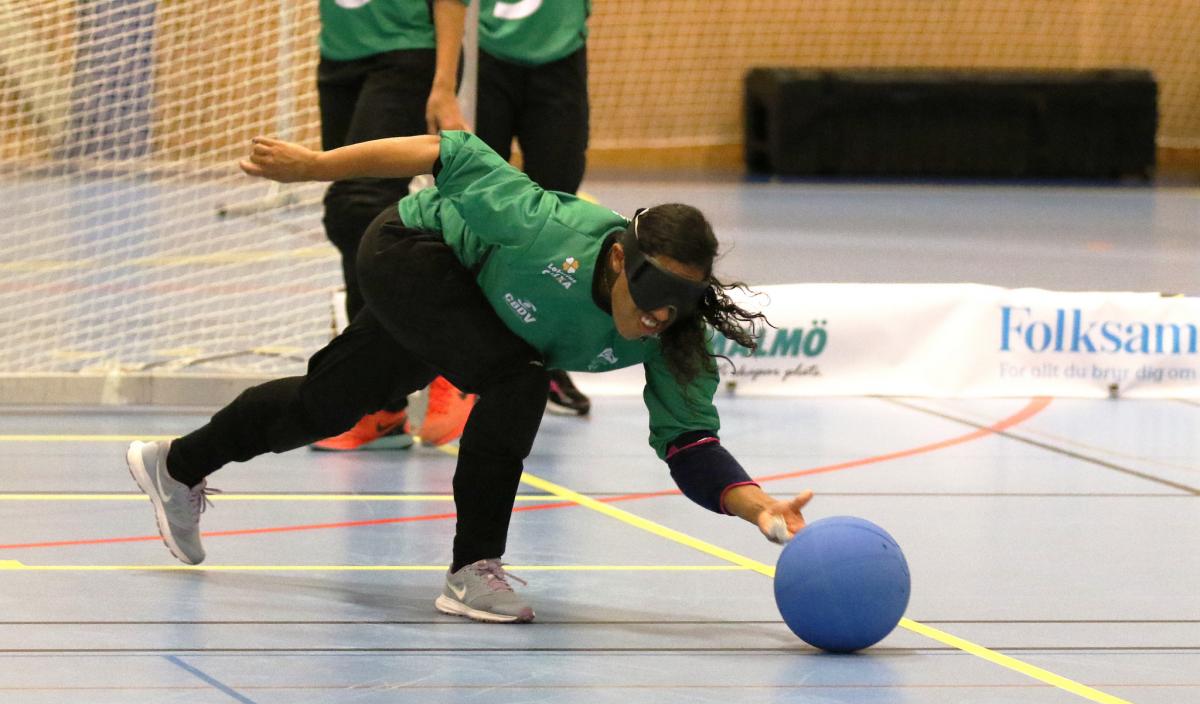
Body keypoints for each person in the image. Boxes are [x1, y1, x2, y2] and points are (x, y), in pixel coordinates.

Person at [126, 130, 814, 624]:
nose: (663, 314)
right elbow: (443, 149)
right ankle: (471, 571)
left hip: (475, 307)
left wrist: (760, 509)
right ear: (616, 263)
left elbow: (690, 443)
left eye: (682, 301)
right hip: (414, 250)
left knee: (326, 404)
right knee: (518, 379)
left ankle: (177, 464)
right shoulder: (545, 230)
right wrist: (314, 168)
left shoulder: (675, 337)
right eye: (655, 289)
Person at [312, 0, 476, 451]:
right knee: (354, 220)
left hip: (409, 52)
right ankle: (381, 405)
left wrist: (443, 84)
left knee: (357, 204)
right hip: (339, 55)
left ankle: (453, 357)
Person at [473, 0, 593, 416]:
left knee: (559, 218)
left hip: (560, 59)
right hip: (482, 58)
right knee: (472, 206)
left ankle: (547, 364)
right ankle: (461, 365)